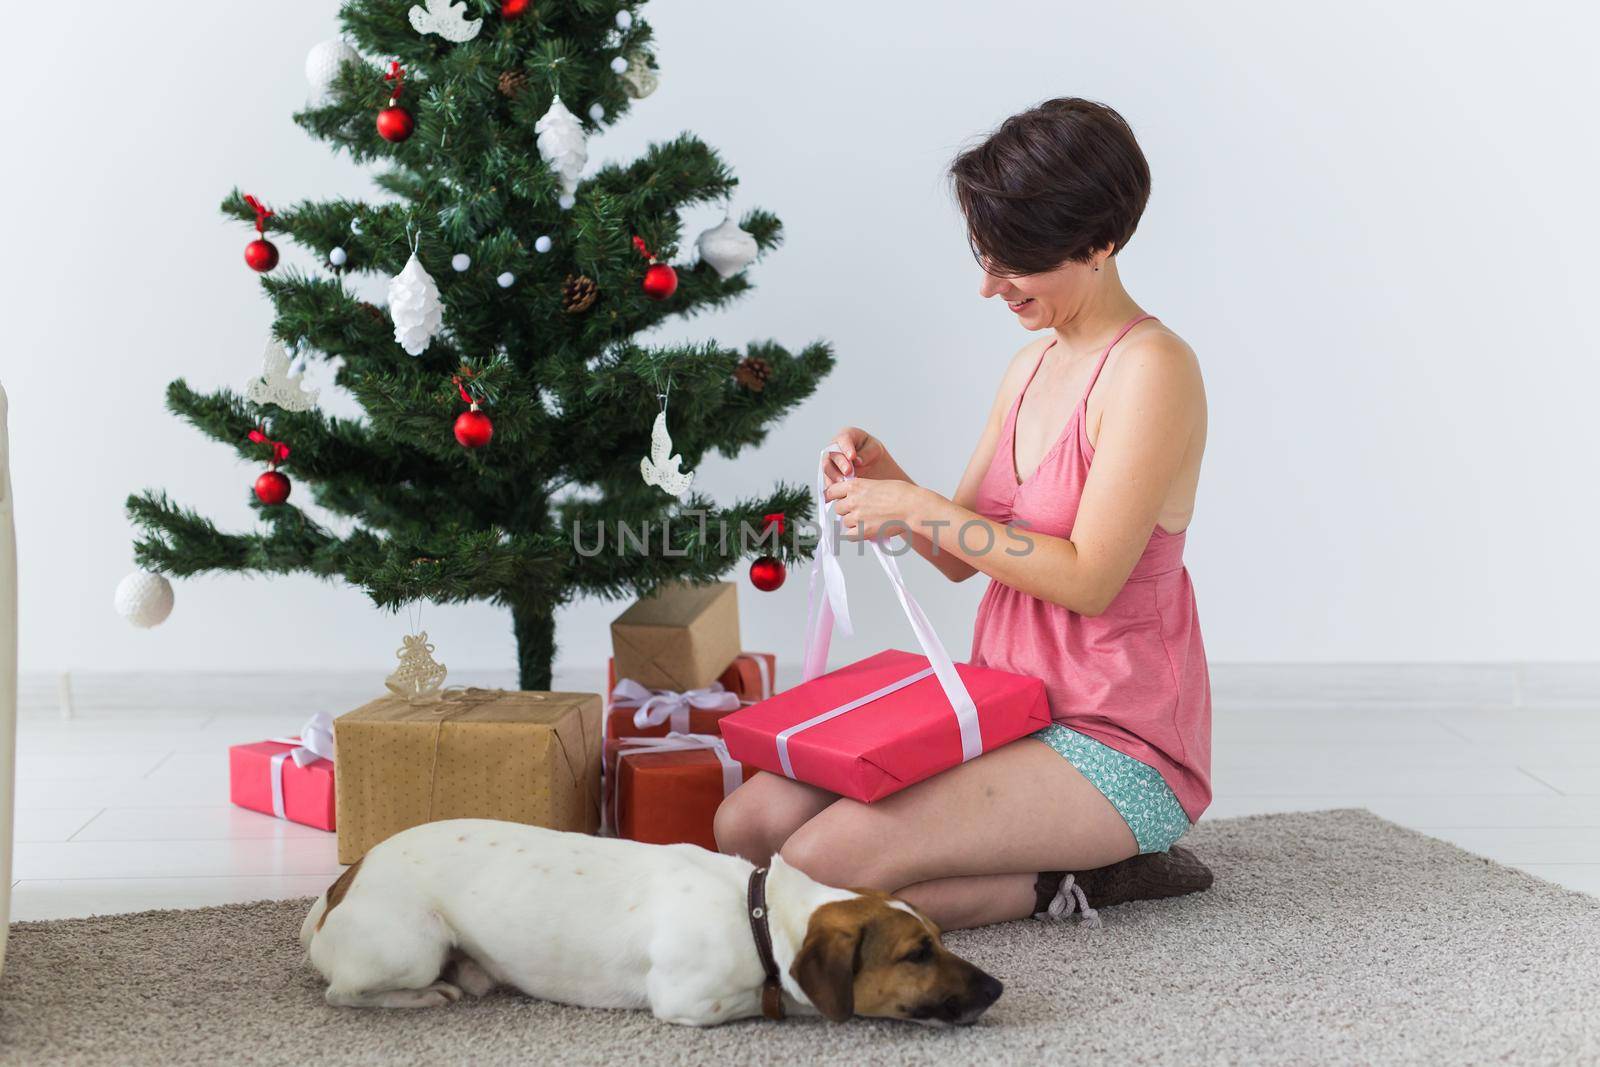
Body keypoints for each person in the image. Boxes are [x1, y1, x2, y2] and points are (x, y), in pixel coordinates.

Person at [715, 98, 1213, 929]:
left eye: (1013, 264)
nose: (988, 287)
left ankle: (1110, 865)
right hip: (1002, 707)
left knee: (818, 865)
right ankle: (1058, 877)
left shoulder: (1152, 370)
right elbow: (958, 551)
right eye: (984, 257)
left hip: (1116, 740)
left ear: (1099, 243)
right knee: (748, 825)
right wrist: (890, 480)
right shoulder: (1030, 366)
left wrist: (914, 505)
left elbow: (1088, 580)